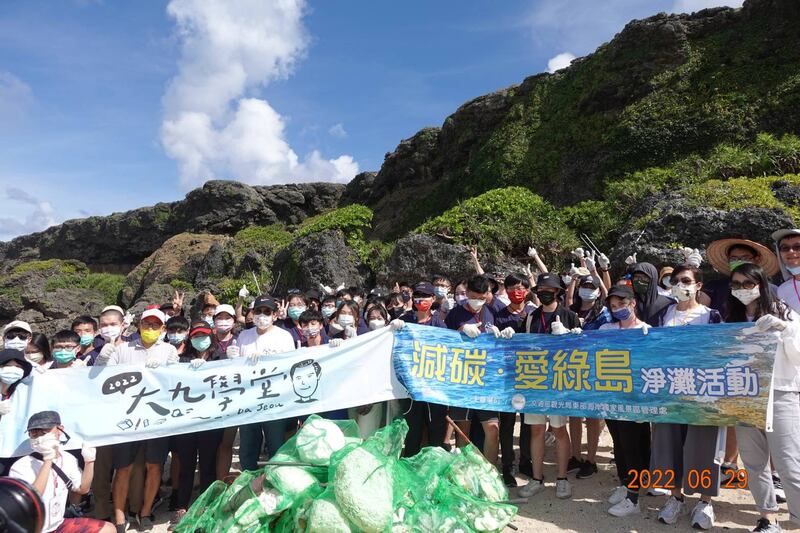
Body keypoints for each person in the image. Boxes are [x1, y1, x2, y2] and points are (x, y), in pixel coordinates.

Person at [725, 262, 800, 532]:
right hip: (745, 395)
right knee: (754, 462)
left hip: (780, 394)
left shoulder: (784, 312)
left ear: (760, 284)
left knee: (789, 461)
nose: (743, 289)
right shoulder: (730, 319)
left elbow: (798, 356)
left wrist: (785, 330)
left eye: (748, 284)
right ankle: (768, 517)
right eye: (736, 284)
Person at [652, 264, 724, 530]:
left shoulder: (712, 316)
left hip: (702, 396)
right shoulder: (662, 315)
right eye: (675, 281)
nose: (680, 285)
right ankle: (675, 497)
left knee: (703, 448)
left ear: (698, 286)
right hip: (668, 394)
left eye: (686, 280)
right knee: (668, 445)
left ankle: (704, 502)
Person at [95, 307, 178, 532]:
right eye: (146, 324)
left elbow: (178, 381)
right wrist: (102, 358)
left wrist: (171, 367)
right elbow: (101, 379)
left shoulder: (170, 350)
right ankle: (120, 516)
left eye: (155, 325)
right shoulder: (123, 350)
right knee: (123, 467)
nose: (150, 328)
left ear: (162, 329)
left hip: (157, 419)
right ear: (138, 326)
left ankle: (145, 512)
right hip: (128, 418)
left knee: (154, 466)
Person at [518, 273, 581, 501]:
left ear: (557, 291)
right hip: (534, 381)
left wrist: (571, 337)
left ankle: (562, 479)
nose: (544, 291)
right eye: (540, 288)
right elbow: (519, 346)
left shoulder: (569, 316)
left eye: (549, 288)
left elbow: (581, 351)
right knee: (535, 430)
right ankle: (537, 478)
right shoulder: (530, 317)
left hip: (559, 384)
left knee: (559, 431)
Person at [8, 410, 114, 533]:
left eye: (45, 431)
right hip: (32, 529)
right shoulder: (21, 466)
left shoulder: (67, 458)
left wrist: (89, 461)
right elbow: (32, 500)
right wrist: (48, 460)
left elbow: (82, 489)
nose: (40, 437)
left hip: (58, 525)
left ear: (59, 429)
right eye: (34, 433)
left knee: (108, 529)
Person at [597, 286, 652, 517]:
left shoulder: (646, 330)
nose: (618, 309)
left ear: (633, 303)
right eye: (613, 306)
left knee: (634, 446)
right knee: (618, 444)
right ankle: (625, 482)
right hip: (612, 398)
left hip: (635, 399)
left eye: (622, 304)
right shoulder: (606, 328)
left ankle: (634, 498)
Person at [444, 275, 506, 470]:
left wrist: (502, 335)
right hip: (462, 381)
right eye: (473, 296)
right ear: (466, 291)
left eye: (481, 297)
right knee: (463, 431)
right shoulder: (454, 314)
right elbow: (442, 342)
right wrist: (461, 329)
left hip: (486, 382)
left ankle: (491, 473)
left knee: (493, 429)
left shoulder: (490, 311)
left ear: (487, 294)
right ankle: (466, 472)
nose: (477, 300)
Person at [168, 321, 225, 530]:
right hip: (187, 422)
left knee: (208, 465)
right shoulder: (183, 360)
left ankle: (205, 506)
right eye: (195, 336)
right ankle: (182, 507)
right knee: (186, 465)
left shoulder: (222, 358)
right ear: (190, 339)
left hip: (211, 421)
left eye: (204, 335)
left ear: (211, 336)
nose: (200, 340)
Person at [232, 295, 296, 470]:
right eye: (258, 311)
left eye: (267, 312)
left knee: (276, 445)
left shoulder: (284, 336)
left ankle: (276, 481)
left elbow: (289, 365)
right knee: (248, 446)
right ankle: (248, 480)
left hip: (274, 398)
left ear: (275, 315)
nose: (262, 315)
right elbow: (235, 369)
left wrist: (268, 360)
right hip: (248, 399)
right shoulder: (244, 336)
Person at [391, 282, 451, 457]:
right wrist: (392, 329)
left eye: (425, 296)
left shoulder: (439, 324)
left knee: (435, 431)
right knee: (412, 431)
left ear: (433, 299)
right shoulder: (405, 320)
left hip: (434, 388)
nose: (421, 299)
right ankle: (409, 468)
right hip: (410, 388)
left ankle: (434, 469)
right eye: (417, 295)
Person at [494, 273, 534, 486]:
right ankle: (507, 465)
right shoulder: (499, 316)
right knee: (507, 422)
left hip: (530, 375)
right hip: (507, 376)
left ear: (527, 290)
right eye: (511, 288)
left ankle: (526, 460)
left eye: (520, 288)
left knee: (529, 421)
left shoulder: (534, 314)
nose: (516, 292)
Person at [701, 238, 780, 312]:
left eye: (745, 258)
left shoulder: (773, 290)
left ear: (757, 259)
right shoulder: (713, 287)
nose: (739, 262)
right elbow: (699, 315)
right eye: (734, 258)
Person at [0, 348, 33, 475]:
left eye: (18, 366)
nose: (13, 369)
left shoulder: (21, 391)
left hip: (13, 450)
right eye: (7, 365)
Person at [630, 262, 674, 327]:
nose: (639, 281)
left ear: (653, 280)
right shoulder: (629, 304)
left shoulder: (668, 304)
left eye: (644, 278)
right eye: (636, 277)